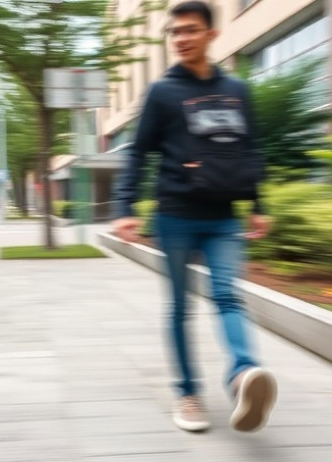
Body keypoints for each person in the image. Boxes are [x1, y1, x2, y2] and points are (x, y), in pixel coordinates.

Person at [111, 1, 277, 433]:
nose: (180, 39)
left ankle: (243, 376)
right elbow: (138, 152)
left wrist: (258, 205)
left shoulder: (236, 90)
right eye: (174, 32)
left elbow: (249, 150)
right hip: (176, 215)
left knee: (228, 297)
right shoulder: (162, 92)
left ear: (211, 35)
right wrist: (126, 208)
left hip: (224, 216)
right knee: (181, 308)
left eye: (190, 30)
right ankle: (188, 394)